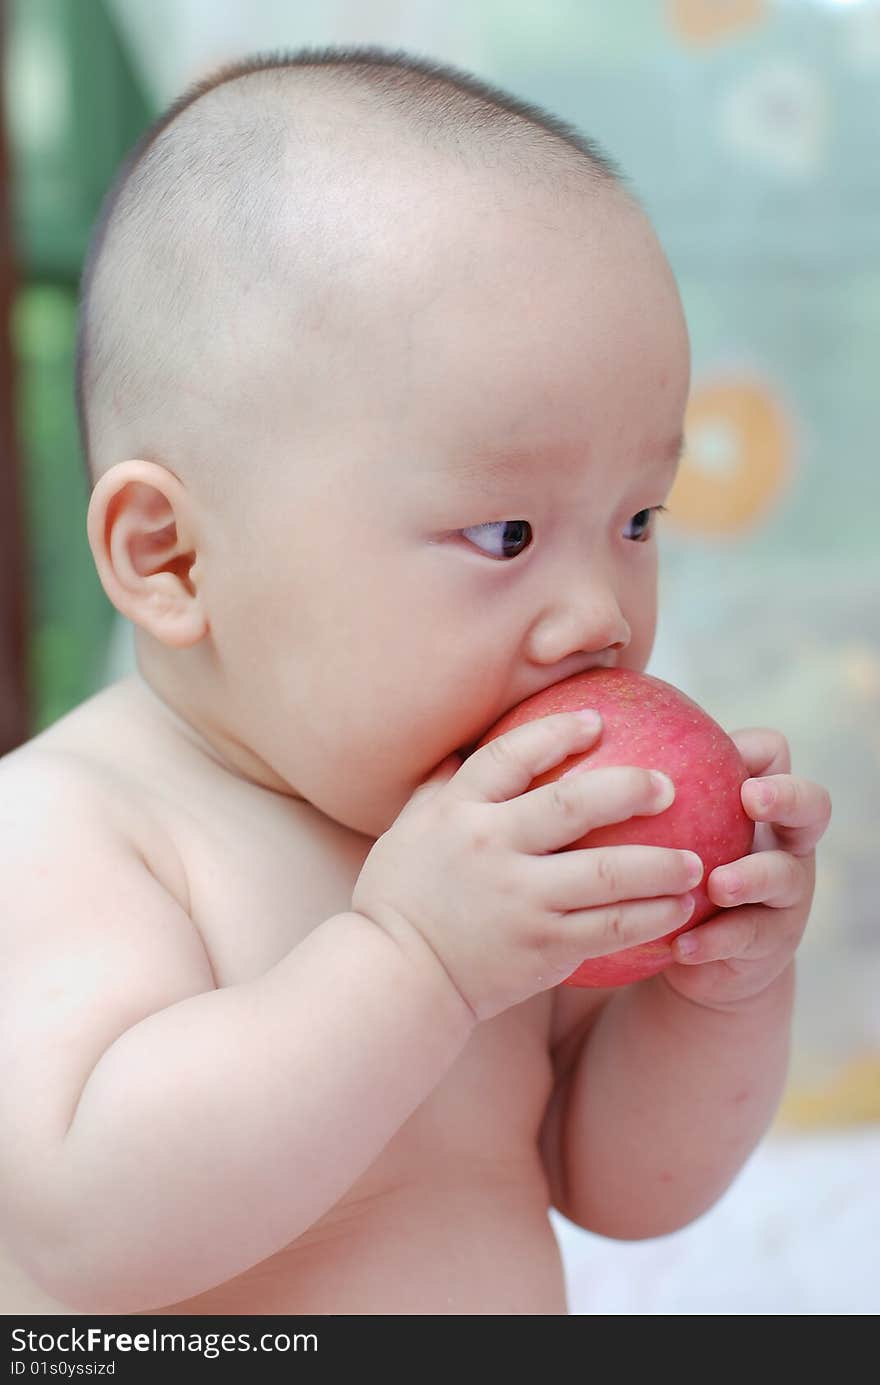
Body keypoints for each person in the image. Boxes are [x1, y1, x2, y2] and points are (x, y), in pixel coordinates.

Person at [0, 46, 832, 1316]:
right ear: (171, 555)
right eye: (503, 534)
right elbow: (82, 1232)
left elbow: (614, 1184)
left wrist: (716, 996)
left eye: (638, 518)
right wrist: (413, 966)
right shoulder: (75, 832)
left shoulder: (488, 853)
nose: (600, 614)